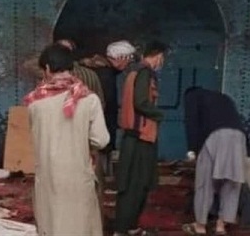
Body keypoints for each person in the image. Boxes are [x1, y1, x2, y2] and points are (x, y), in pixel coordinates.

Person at [24, 44, 109, 236]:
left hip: (48, 178)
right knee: (80, 226)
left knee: (52, 225)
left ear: (47, 69)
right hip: (78, 176)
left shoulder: (35, 103)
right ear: (71, 67)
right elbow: (101, 140)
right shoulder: (89, 99)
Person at [114, 41, 168, 236]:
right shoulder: (145, 72)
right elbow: (141, 102)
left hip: (135, 137)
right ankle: (124, 228)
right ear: (158, 55)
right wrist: (159, 115)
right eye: (162, 58)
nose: (162, 62)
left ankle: (129, 226)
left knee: (133, 184)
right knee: (136, 185)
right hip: (140, 138)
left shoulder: (134, 71)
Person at [182, 87, 247, 236]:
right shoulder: (224, 97)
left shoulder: (191, 96)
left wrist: (192, 150)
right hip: (238, 136)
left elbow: (191, 121)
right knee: (231, 181)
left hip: (215, 136)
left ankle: (200, 226)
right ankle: (221, 226)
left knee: (205, 182)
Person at [81, 40, 137, 174]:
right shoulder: (106, 75)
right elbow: (107, 104)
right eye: (127, 59)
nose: (128, 64)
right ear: (119, 58)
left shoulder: (99, 71)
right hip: (101, 127)